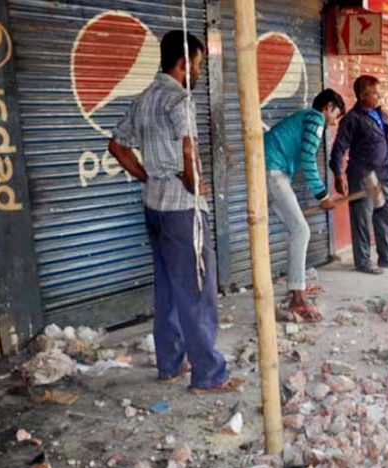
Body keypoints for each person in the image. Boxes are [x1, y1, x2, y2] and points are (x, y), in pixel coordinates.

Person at [108, 31, 239, 394]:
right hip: (183, 211)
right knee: (197, 291)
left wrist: (146, 176)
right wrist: (195, 183)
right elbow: (188, 149)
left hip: (154, 207)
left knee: (167, 288)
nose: (198, 72)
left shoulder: (145, 97)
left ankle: (171, 364)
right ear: (183, 63)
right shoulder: (180, 98)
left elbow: (116, 145)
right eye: (197, 64)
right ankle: (209, 375)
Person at [263, 89, 345, 322]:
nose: (334, 122)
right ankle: (297, 297)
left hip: (270, 169)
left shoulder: (307, 117)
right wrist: (323, 195)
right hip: (272, 170)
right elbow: (308, 158)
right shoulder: (315, 118)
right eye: (336, 115)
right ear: (329, 107)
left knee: (296, 230)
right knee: (301, 230)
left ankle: (294, 289)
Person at [330, 75, 388, 275]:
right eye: (374, 92)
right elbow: (339, 148)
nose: (379, 95)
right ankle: (363, 261)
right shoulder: (352, 120)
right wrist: (338, 174)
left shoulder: (381, 114)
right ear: (363, 96)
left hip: (383, 175)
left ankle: (386, 257)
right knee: (362, 220)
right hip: (363, 176)